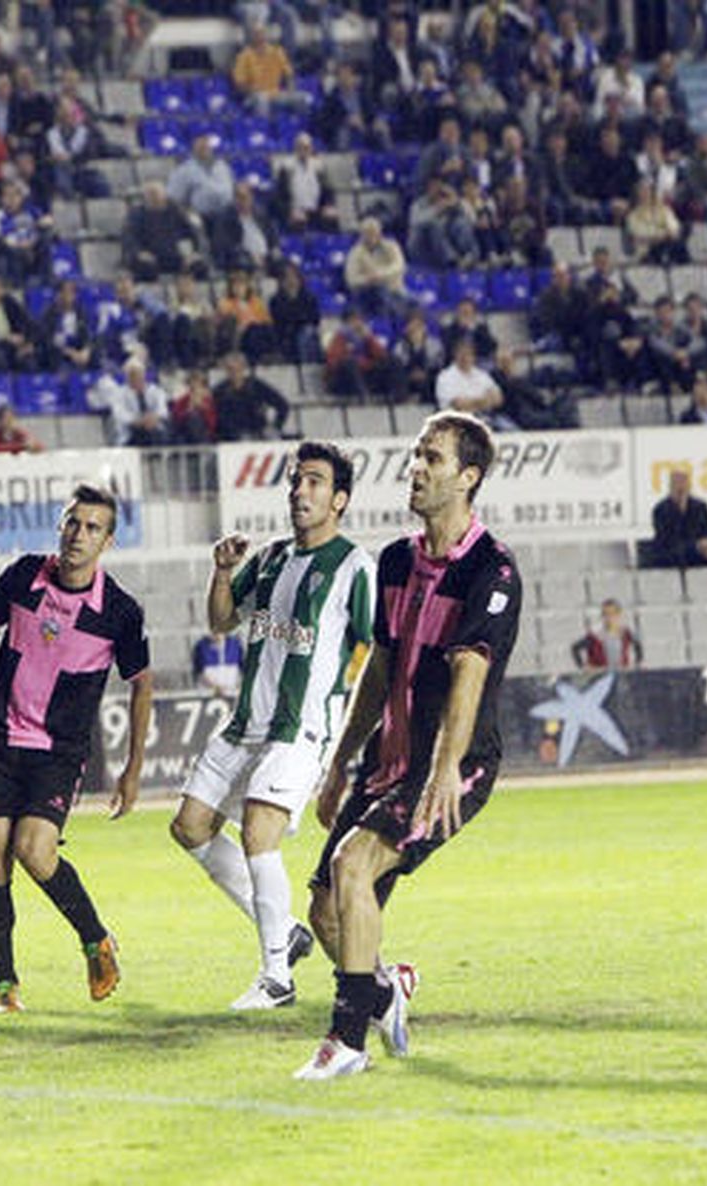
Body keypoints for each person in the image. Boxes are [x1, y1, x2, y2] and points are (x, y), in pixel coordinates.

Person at [296, 411, 522, 1079]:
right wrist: (340, 762)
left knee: (356, 868)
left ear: (468, 477)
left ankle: (347, 1043)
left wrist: (445, 770)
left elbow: (470, 671)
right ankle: (387, 992)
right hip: (385, 762)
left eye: (433, 458)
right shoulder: (394, 561)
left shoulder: (492, 569)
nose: (416, 468)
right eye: (416, 455)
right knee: (325, 911)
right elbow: (380, 671)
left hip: (452, 763)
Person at [0, 484, 152, 1013]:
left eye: (93, 527)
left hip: (58, 752)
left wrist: (133, 769)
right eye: (73, 523)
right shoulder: (27, 573)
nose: (79, 535)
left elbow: (142, 683)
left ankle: (95, 939)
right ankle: (4, 983)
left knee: (33, 850)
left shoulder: (120, 611)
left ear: (108, 540)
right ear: (61, 525)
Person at [171, 442, 375, 1010]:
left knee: (259, 831)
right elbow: (220, 621)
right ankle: (284, 929)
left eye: (313, 482)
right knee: (189, 827)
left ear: (339, 499)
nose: (299, 491)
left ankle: (276, 977)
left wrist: (350, 720)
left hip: (300, 729)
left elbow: (378, 647)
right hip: (245, 725)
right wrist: (222, 571)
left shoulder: (356, 568)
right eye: (295, 481)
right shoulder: (268, 559)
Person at [649, 468, 707, 568]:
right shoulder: (661, 510)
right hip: (673, 556)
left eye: (683, 483)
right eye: (677, 483)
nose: (680, 487)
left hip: (701, 556)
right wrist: (695, 546)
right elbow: (666, 540)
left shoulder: (700, 506)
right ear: (670, 486)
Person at [571, 598, 641, 671]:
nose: (609, 618)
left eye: (612, 614)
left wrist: (637, 664)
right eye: (605, 614)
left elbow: (638, 645)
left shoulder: (625, 633)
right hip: (601, 675)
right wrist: (583, 666)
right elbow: (575, 648)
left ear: (618, 614)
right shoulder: (595, 635)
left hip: (620, 673)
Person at [191, 629, 243, 700]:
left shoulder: (235, 644)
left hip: (232, 692)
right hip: (209, 693)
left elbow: (242, 670)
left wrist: (237, 687)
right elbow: (199, 672)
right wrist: (214, 687)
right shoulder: (202, 646)